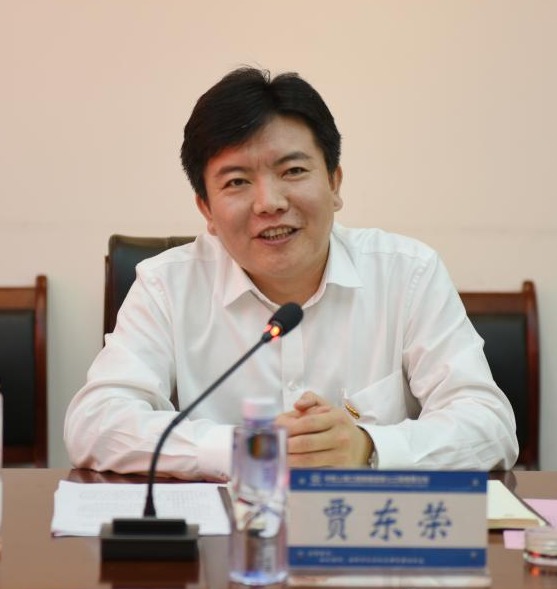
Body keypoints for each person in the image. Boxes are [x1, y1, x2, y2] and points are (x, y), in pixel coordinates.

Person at [64, 67, 518, 480]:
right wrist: (249, 449)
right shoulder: (166, 285)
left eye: (294, 170)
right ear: (206, 209)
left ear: (334, 183)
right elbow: (95, 422)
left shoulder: (408, 273)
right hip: (228, 538)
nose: (270, 203)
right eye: (237, 181)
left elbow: (489, 423)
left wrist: (367, 446)